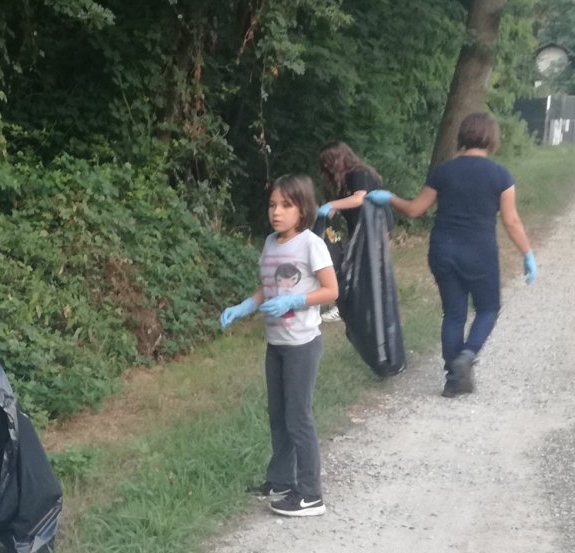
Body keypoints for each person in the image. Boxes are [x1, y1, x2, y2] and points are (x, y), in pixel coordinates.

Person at [370, 112, 537, 397]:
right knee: (488, 308)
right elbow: (511, 221)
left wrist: (389, 198)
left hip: (443, 250)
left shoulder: (443, 172)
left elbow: (414, 210)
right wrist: (527, 254)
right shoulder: (501, 176)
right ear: (491, 140)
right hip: (480, 252)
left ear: (462, 137)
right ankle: (467, 355)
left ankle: (453, 380)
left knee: (454, 313)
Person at [218, 174, 339, 517]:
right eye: (272, 204)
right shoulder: (271, 242)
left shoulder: (310, 244)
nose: (277, 212)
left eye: (286, 205)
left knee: (298, 416)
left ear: (303, 210)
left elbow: (331, 290)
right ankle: (282, 479)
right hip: (276, 344)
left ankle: (311, 494)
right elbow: (267, 289)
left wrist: (295, 301)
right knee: (278, 414)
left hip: (303, 344)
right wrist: (246, 305)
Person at [311, 143, 387, 324]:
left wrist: (331, 205)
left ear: (339, 158)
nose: (327, 167)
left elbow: (359, 198)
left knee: (361, 268)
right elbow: (333, 208)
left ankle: (351, 307)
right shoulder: (341, 182)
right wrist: (316, 217)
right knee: (352, 267)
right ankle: (357, 306)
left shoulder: (358, 174)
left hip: (374, 227)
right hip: (358, 228)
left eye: (329, 162)